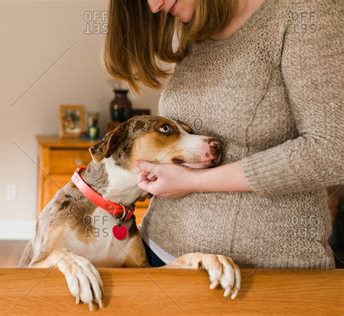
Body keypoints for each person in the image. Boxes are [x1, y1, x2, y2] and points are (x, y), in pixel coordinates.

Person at [103, 0, 343, 268]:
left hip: (262, 277)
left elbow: (333, 150)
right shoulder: (198, 29)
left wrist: (193, 181)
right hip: (159, 257)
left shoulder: (304, 12)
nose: (154, 6)